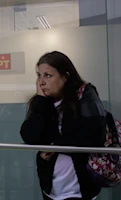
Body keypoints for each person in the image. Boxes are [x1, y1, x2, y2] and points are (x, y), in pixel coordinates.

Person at [20, 51, 106, 200]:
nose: (41, 82)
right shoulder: (42, 102)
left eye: (48, 75)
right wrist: (41, 100)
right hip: (51, 187)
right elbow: (29, 137)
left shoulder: (85, 95)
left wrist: (55, 145)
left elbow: (94, 137)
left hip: (79, 187)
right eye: (39, 76)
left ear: (65, 76)